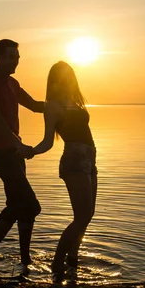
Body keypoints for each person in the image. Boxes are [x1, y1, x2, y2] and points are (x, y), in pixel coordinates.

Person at [0, 39, 45, 265]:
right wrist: (18, 145)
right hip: (0, 153)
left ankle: (24, 258)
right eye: (11, 56)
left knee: (17, 204)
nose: (16, 61)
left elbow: (36, 106)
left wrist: (62, 105)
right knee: (31, 204)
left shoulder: (13, 84)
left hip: (14, 153)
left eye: (17, 57)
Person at [32, 61, 97, 273]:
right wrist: (29, 151)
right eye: (63, 76)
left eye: (70, 75)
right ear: (55, 80)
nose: (67, 80)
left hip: (89, 160)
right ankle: (57, 262)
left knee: (88, 214)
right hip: (74, 161)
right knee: (82, 216)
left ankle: (73, 257)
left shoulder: (74, 101)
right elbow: (48, 141)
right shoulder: (52, 106)